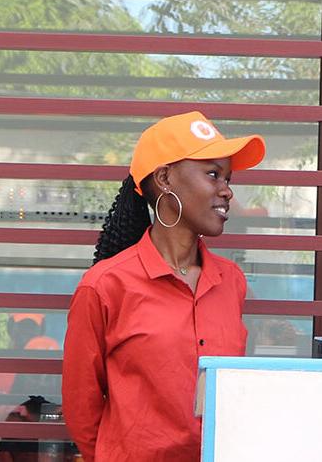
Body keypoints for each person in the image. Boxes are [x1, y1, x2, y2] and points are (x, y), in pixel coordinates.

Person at [62, 111, 265, 461]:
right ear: (165, 178)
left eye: (228, 178)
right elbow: (82, 408)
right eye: (213, 174)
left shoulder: (231, 281)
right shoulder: (105, 286)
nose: (227, 191)